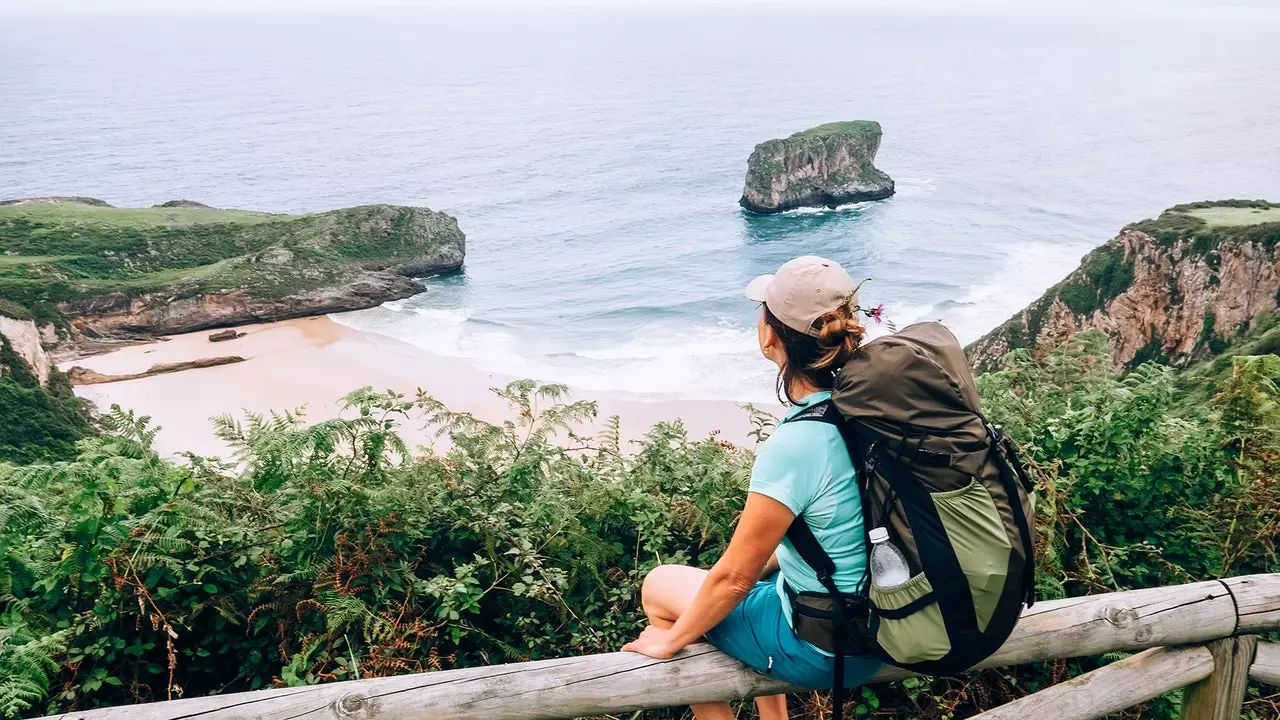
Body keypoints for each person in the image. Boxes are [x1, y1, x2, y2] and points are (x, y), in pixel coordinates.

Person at [622, 256, 883, 720]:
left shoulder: (799, 441)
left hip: (829, 646)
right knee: (763, 576)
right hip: (894, 623)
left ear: (770, 336)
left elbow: (734, 579)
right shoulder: (876, 409)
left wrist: (673, 638)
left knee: (660, 586)